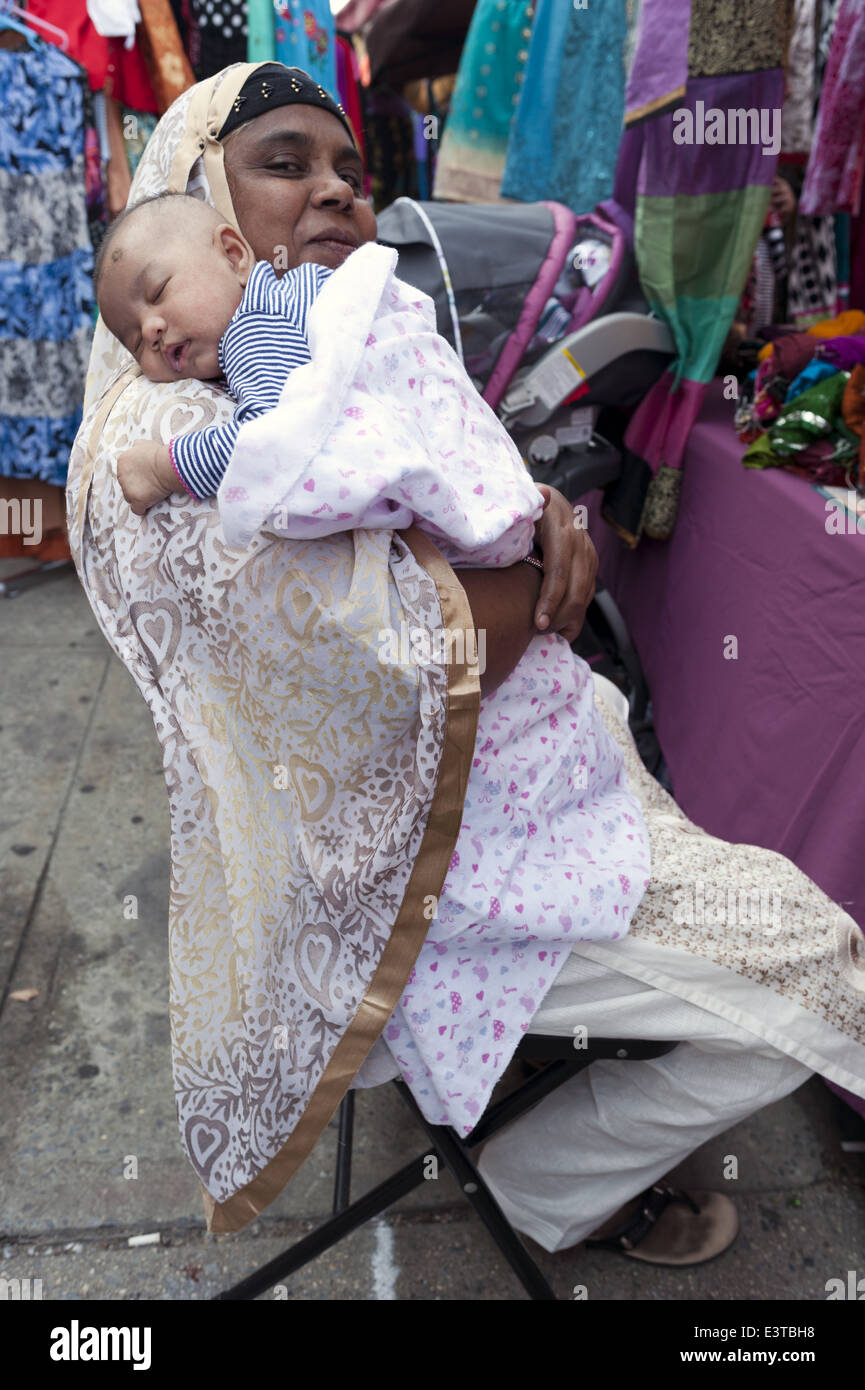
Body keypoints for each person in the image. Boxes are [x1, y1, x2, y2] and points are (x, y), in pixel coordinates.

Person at [67, 62, 865, 1266]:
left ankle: (543, 1114)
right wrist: (539, 569)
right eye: (287, 164)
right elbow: (420, 649)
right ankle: (550, 1179)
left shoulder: (321, 346)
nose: (337, 191)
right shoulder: (170, 429)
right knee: (825, 977)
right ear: (198, 206)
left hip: (505, 798)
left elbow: (446, 489)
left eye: (351, 170)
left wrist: (538, 505)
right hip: (410, 886)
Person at [94, 190, 547, 568]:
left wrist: (163, 468)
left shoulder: (253, 328)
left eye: (157, 292)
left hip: (462, 529)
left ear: (234, 255)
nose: (150, 330)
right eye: (133, 340)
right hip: (499, 499)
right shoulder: (308, 291)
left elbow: (271, 442)